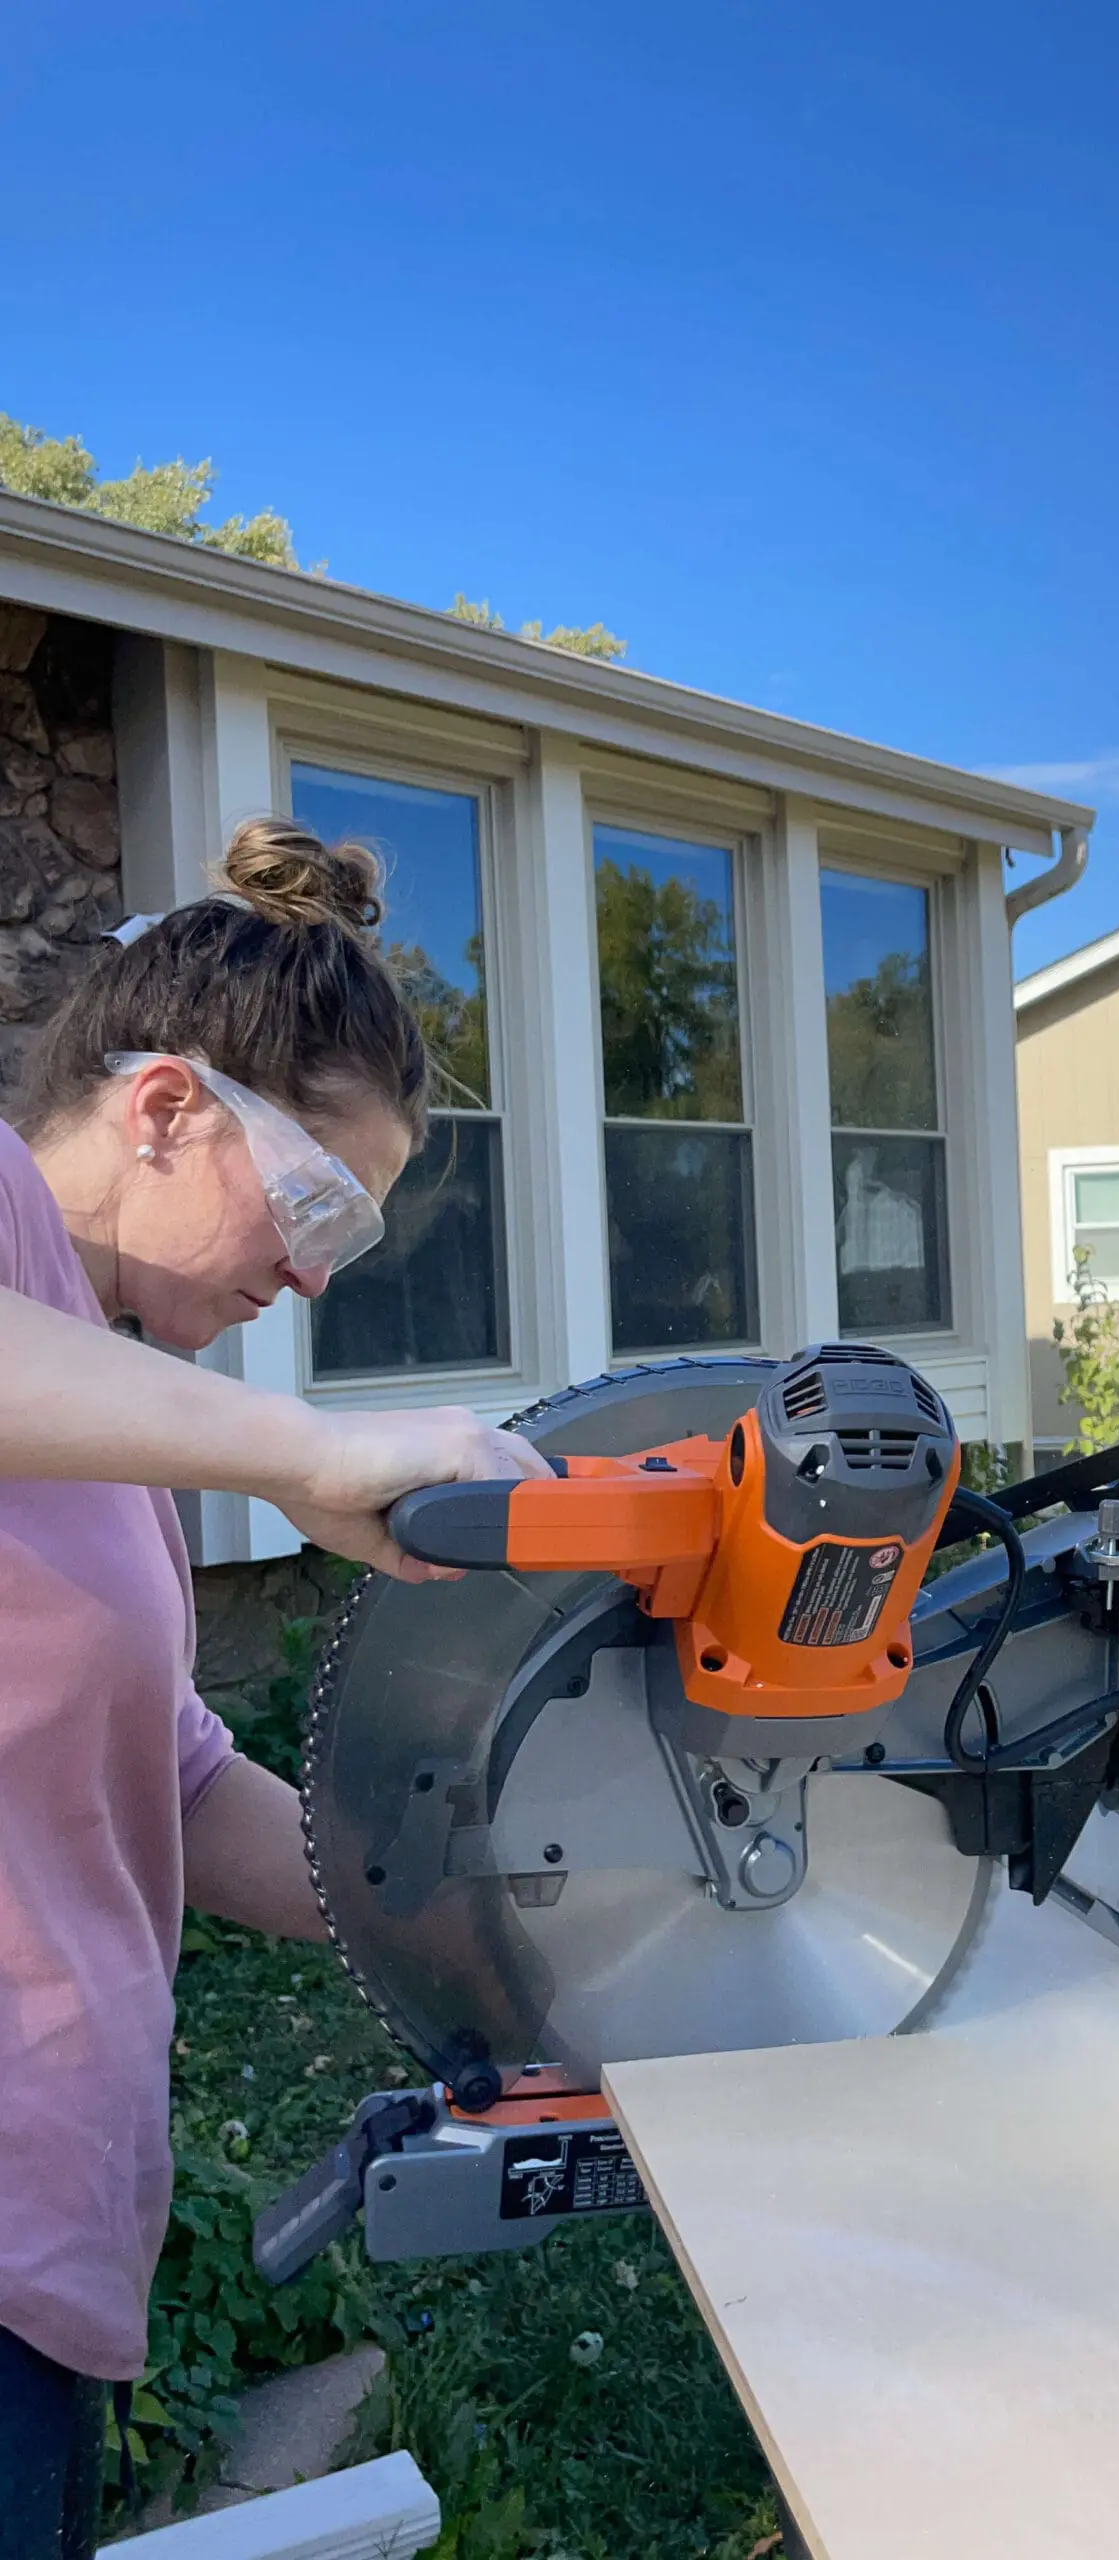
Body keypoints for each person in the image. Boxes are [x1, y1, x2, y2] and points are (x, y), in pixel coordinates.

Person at [0, 817, 551, 2556]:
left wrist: (477, 1880)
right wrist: (299, 1450)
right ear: (165, 1108)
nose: (313, 1275)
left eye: (354, 1241)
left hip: (43, 2253)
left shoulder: (111, 1409)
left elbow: (169, 1787)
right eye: (315, 1203)